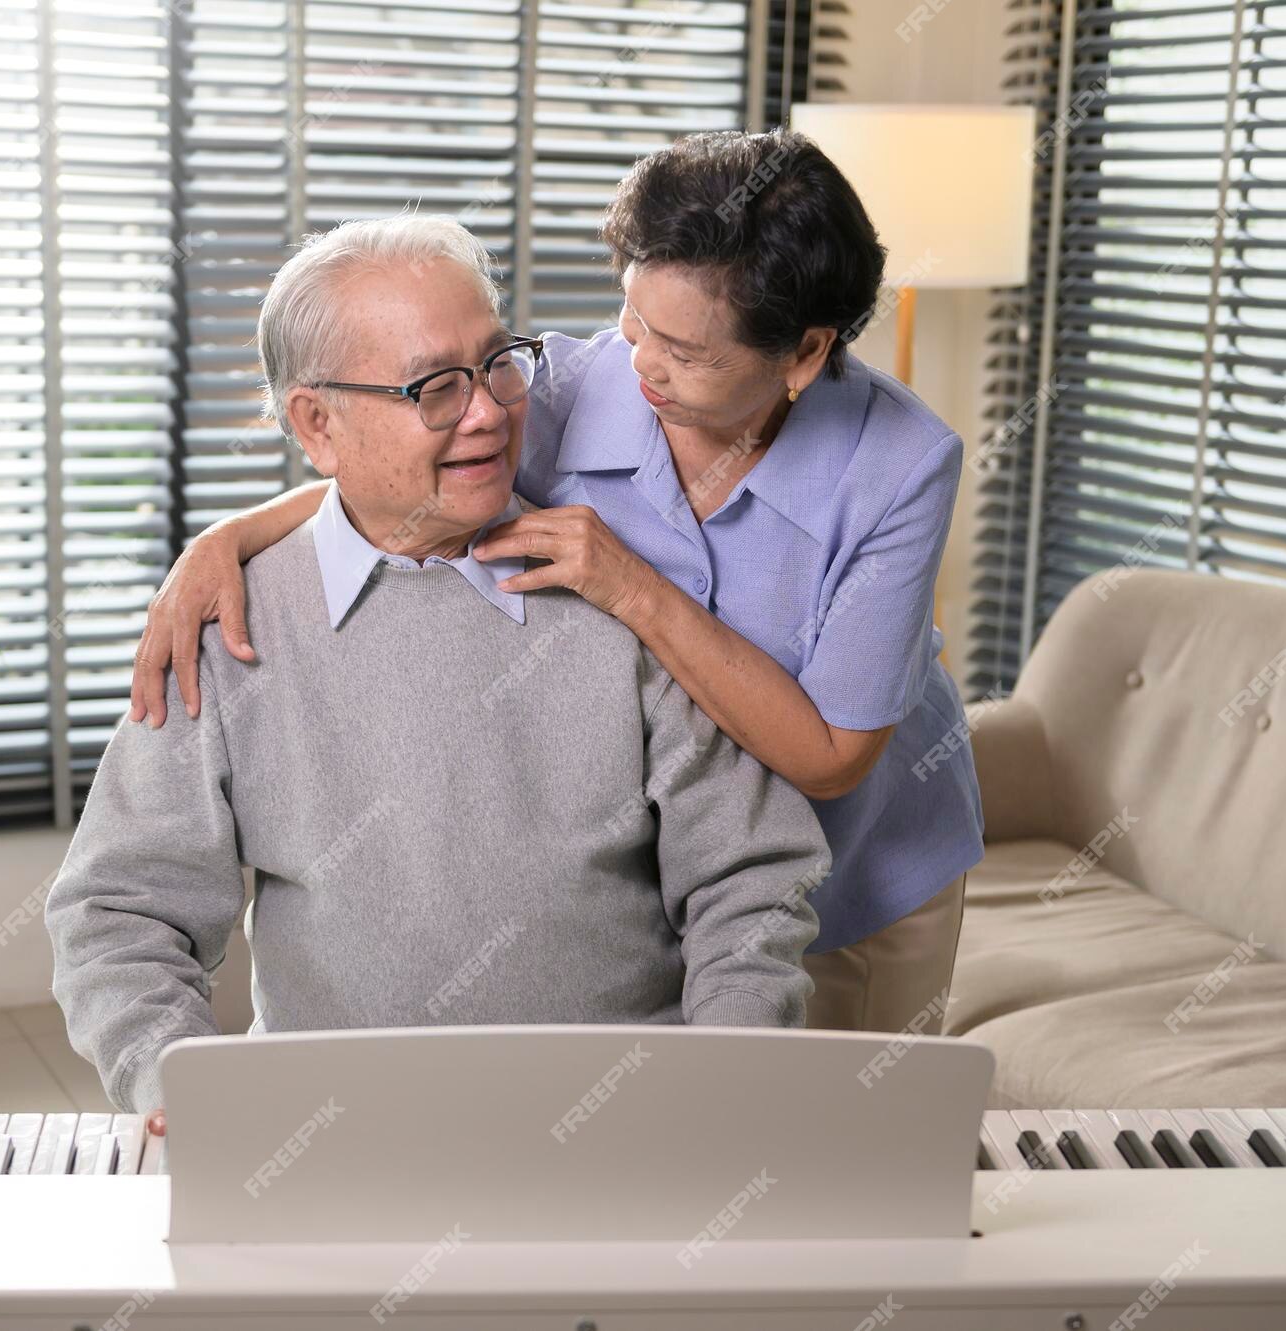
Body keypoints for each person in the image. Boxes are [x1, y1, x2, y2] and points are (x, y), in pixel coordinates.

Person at [129, 129, 984, 1041]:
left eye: (685, 350)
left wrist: (635, 587)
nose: (643, 359)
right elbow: (408, 464)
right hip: (677, 867)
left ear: (805, 353)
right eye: (634, 314)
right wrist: (230, 536)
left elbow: (832, 753)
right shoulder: (571, 388)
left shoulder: (900, 463)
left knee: (853, 1154)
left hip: (863, 856)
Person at [47, 214, 828, 1120]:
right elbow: (119, 915)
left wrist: (717, 1087)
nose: (492, 411)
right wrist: (179, 1084)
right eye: (434, 387)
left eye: (498, 362)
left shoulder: (614, 587)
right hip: (328, 1146)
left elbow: (754, 875)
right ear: (317, 423)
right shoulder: (226, 627)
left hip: (623, 1134)